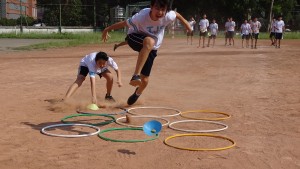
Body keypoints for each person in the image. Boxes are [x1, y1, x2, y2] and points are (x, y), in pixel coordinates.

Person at [102, 0, 192, 105]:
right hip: (134, 38)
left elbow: (176, 14)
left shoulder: (168, 16)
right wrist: (107, 29)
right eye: (157, 8)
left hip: (152, 47)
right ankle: (135, 75)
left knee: (144, 80)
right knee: (149, 41)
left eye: (163, 10)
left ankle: (137, 93)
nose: (160, 12)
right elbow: (124, 23)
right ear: (151, 7)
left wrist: (186, 24)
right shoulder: (142, 16)